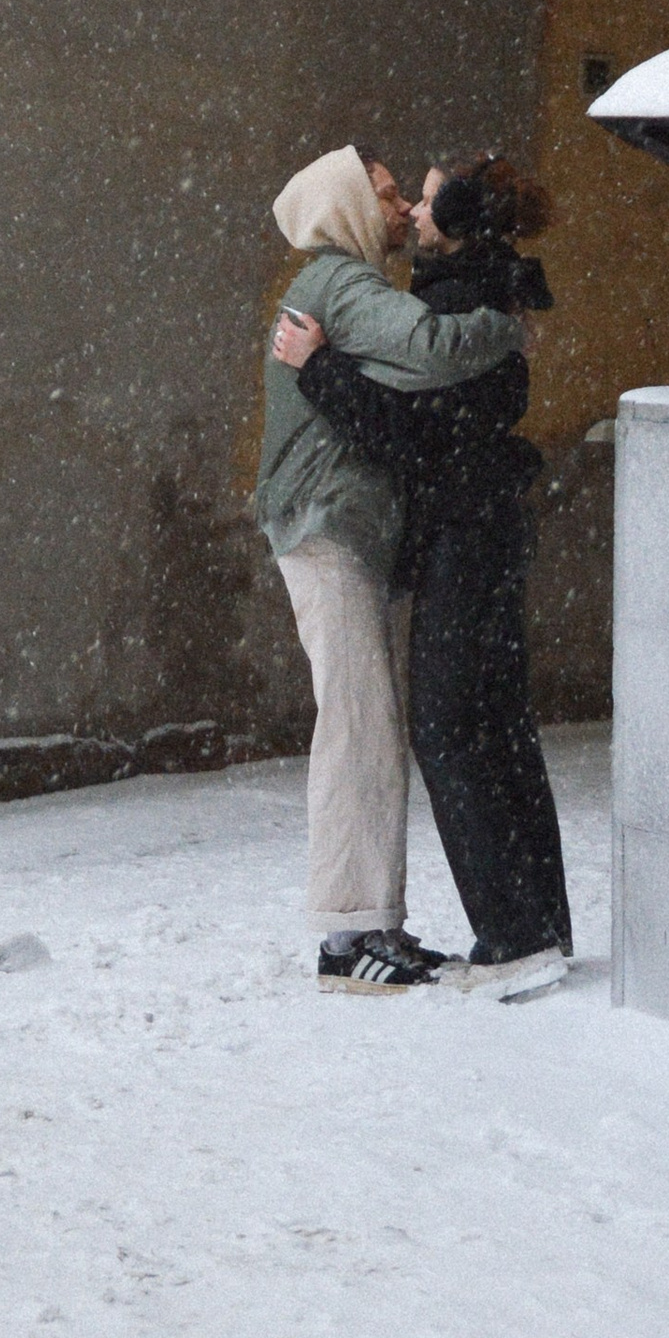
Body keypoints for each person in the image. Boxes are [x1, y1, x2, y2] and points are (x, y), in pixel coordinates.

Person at [272, 156, 573, 975]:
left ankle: (513, 934)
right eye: (394, 193)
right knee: (479, 727)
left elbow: (413, 424)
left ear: (458, 221)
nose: (407, 207)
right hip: (467, 530)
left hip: (462, 533)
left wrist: (321, 367)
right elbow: (432, 393)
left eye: (423, 198)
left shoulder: (447, 297)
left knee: (446, 729)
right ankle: (526, 924)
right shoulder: (441, 289)